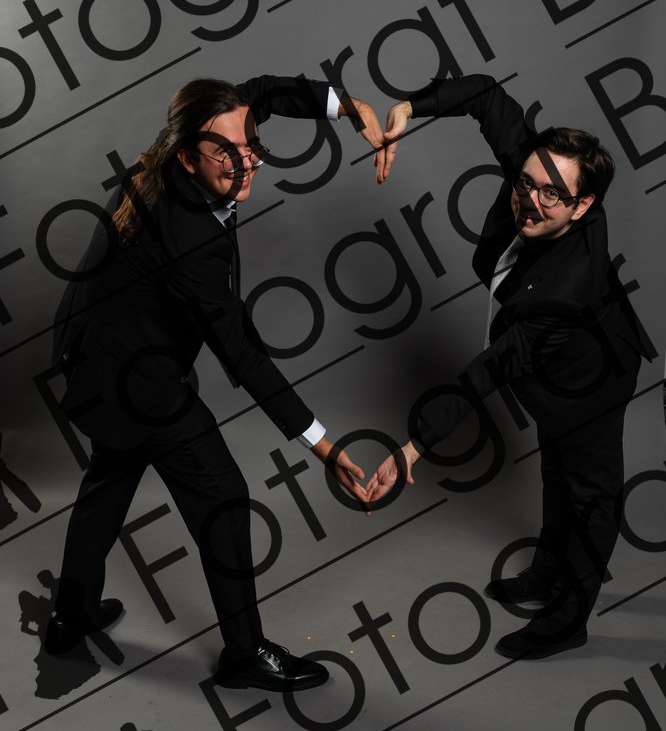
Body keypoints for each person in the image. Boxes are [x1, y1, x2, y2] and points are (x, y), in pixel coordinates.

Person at [45, 74, 387, 689]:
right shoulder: (190, 239)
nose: (244, 160)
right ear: (187, 158)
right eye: (225, 153)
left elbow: (266, 92)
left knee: (109, 480)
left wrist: (348, 108)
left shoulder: (197, 137)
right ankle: (244, 654)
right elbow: (243, 355)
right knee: (224, 498)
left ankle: (70, 615)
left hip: (94, 353)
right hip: (135, 382)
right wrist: (325, 446)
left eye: (249, 144)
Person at [366, 75, 656, 659]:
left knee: (589, 489)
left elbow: (488, 370)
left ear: (583, 206)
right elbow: (486, 95)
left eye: (552, 195)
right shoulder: (538, 175)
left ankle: (570, 616)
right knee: (555, 468)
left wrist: (412, 449)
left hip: (591, 376)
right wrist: (408, 108)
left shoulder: (566, 288)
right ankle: (547, 570)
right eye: (527, 183)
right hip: (544, 361)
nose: (530, 200)